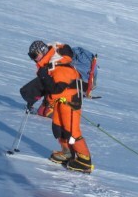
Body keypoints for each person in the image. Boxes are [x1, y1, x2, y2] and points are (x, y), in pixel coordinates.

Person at [20, 40, 94, 172]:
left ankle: (85, 160)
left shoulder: (61, 66)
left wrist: (44, 78)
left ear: (42, 52)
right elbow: (52, 89)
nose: (33, 59)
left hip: (70, 102)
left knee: (72, 132)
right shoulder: (50, 65)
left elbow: (57, 89)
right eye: (30, 56)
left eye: (34, 56)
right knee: (59, 128)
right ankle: (67, 152)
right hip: (60, 101)